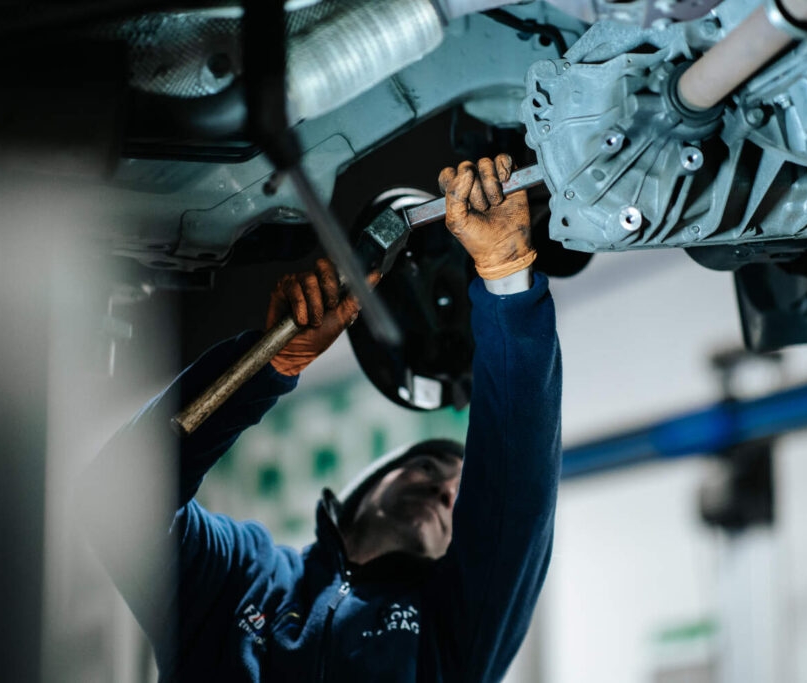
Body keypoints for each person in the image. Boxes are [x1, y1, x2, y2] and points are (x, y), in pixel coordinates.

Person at [80, 154, 562, 682]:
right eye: (427, 466)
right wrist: (266, 363)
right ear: (369, 484)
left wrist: (508, 280)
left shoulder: (458, 625)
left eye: (459, 490)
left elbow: (515, 492)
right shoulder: (241, 574)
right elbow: (119, 493)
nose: (446, 491)